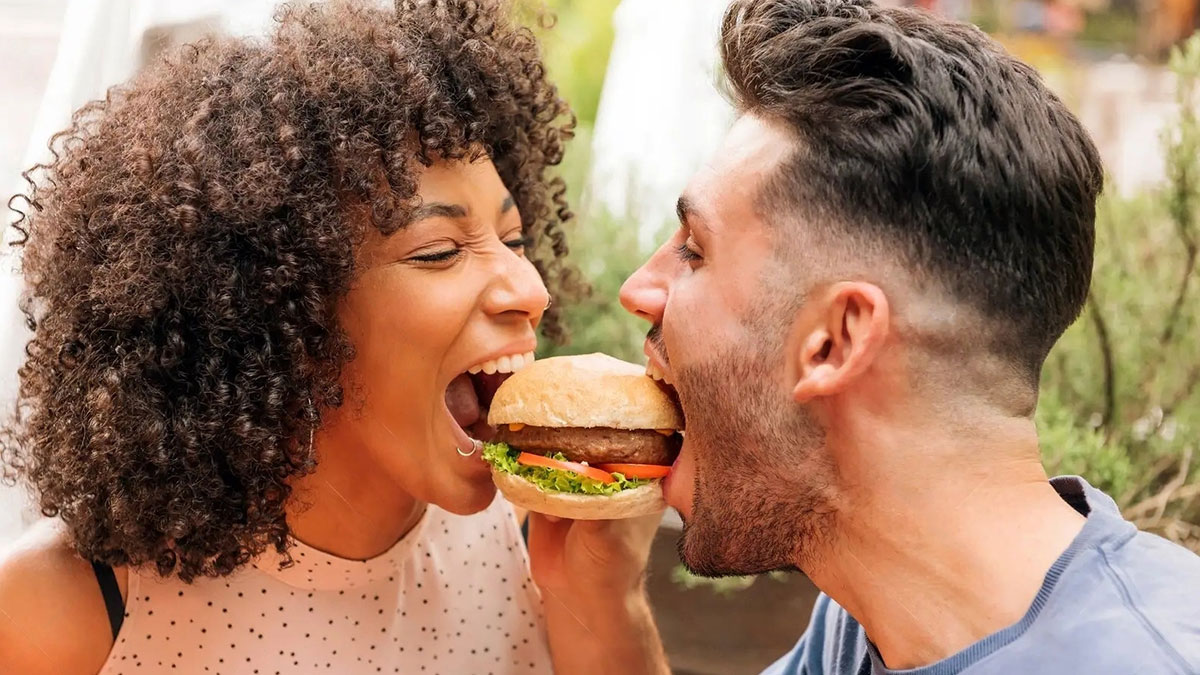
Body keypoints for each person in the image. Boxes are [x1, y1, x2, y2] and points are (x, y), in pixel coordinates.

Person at [0, 1, 668, 673]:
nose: (530, 287)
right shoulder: (65, 608)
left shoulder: (546, 542)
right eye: (438, 251)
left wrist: (607, 597)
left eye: (514, 239)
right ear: (284, 311)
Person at [620, 1, 1200, 674]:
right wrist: (600, 590)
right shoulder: (866, 626)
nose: (639, 288)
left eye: (694, 250)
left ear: (836, 340)